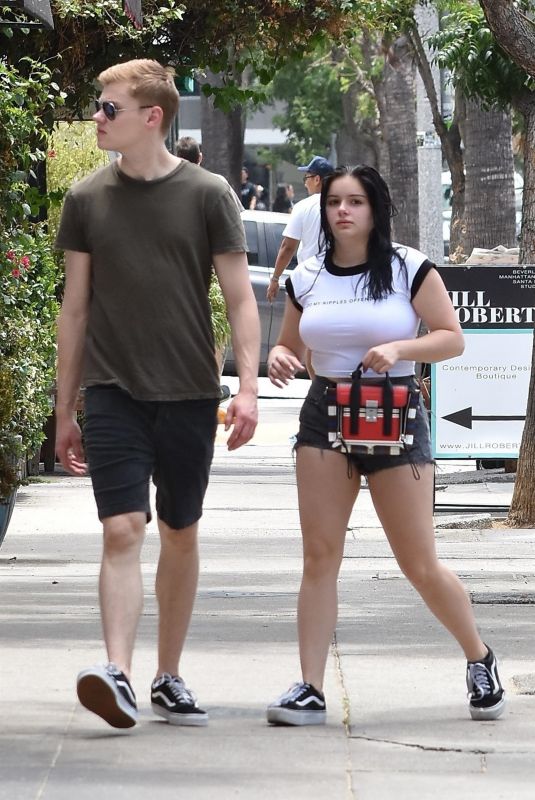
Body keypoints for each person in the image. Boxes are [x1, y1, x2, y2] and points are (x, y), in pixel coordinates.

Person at [54, 59, 260, 730]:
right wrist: (64, 409)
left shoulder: (207, 194)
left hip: (189, 392)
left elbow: (239, 298)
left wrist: (248, 388)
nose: (96, 117)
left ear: (152, 117)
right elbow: (75, 311)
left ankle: (167, 674)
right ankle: (116, 672)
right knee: (121, 529)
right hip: (112, 389)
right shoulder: (85, 198)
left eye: (108, 107)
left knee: (178, 530)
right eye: (97, 106)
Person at [265, 164, 505, 726]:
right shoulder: (308, 275)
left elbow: (451, 339)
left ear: (375, 209)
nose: (342, 211)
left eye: (354, 202)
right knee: (319, 556)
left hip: (394, 412)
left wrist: (400, 348)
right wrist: (281, 358)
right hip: (326, 413)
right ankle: (310, 687)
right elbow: (290, 347)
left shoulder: (408, 266)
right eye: (333, 203)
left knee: (418, 562)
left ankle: (479, 656)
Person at [266, 155, 333, 303]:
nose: (305, 183)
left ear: (317, 179)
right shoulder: (343, 205)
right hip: (338, 281)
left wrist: (275, 278)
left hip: (310, 280)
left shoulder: (303, 206)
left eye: (306, 178)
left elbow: (288, 247)